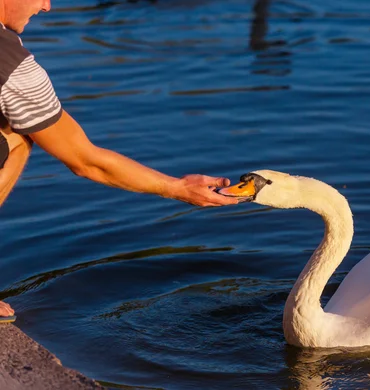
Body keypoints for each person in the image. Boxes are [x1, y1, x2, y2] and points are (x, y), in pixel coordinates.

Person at [0, 0, 238, 319]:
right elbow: (86, 161)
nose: (47, 7)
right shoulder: (12, 65)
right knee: (21, 134)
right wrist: (178, 188)